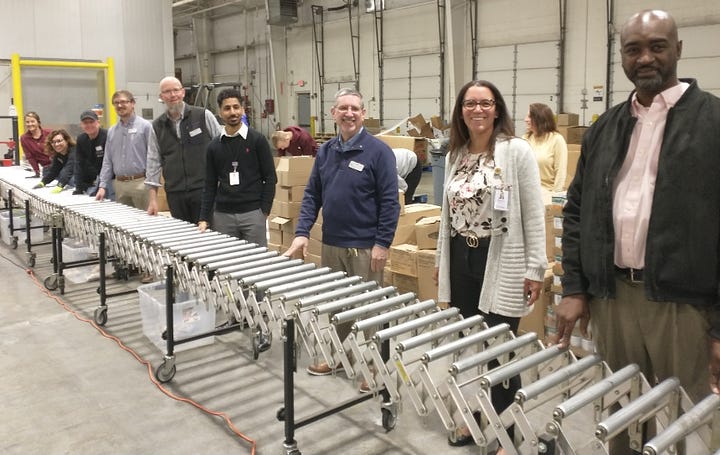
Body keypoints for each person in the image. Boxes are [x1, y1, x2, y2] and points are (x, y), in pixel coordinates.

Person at [555, 9, 720, 448]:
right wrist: (574, 287)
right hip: (612, 300)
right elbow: (576, 213)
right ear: (622, 57)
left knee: (683, 421)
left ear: (678, 50)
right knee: (620, 415)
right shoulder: (605, 128)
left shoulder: (713, 123)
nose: (645, 58)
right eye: (633, 49)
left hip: (683, 309)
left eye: (657, 46)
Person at [434, 80, 546, 449]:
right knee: (466, 344)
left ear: (497, 109)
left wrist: (536, 267)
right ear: (460, 110)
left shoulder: (516, 151)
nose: (477, 110)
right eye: (470, 103)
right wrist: (441, 261)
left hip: (499, 259)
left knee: (500, 349)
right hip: (459, 255)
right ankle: (472, 417)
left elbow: (533, 212)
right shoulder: (455, 154)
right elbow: (447, 216)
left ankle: (505, 433)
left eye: (485, 103)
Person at [284, 88, 400, 390]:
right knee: (337, 305)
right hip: (332, 243)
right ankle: (337, 355)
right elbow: (312, 194)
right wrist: (302, 233)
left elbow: (390, 201)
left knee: (369, 308)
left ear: (363, 113)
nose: (349, 114)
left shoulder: (378, 151)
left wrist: (382, 243)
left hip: (365, 247)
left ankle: (374, 366)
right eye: (343, 108)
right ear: (333, 113)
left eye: (355, 109)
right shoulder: (326, 151)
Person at [198, 88, 276, 246]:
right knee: (226, 265)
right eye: (227, 108)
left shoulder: (257, 141)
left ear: (242, 110)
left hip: (253, 214)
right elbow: (209, 184)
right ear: (220, 112)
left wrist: (264, 211)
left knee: (257, 263)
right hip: (222, 216)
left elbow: (270, 177)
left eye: (236, 107)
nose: (232, 112)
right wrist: (204, 217)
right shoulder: (214, 146)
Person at [146, 76, 222, 223]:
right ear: (161, 97)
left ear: (183, 93)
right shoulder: (157, 126)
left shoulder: (203, 116)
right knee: (183, 240)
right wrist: (153, 199)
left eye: (176, 90)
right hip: (176, 194)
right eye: (167, 92)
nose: (172, 95)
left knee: (209, 236)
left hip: (205, 190)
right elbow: (153, 162)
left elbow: (222, 148)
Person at [95, 90, 155, 210]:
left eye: (123, 102)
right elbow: (107, 160)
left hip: (141, 184)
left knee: (145, 224)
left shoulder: (145, 126)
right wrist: (102, 186)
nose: (119, 106)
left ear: (132, 103)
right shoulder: (112, 131)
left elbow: (153, 157)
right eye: (116, 103)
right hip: (119, 185)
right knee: (124, 226)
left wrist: (151, 184)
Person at [523, 103, 568, 193]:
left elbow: (560, 172)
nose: (525, 120)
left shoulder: (556, 139)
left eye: (529, 117)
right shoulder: (525, 139)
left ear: (539, 119)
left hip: (547, 193)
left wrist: (555, 196)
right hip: (526, 192)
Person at [73, 110, 110, 198]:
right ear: (81, 125)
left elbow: (108, 163)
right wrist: (78, 188)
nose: (89, 125)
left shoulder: (107, 136)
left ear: (98, 122)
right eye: (85, 123)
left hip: (109, 178)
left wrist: (101, 186)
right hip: (93, 178)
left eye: (91, 122)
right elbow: (79, 163)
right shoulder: (81, 139)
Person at [19, 112, 51, 177]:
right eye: (27, 122)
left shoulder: (49, 133)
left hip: (60, 165)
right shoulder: (24, 138)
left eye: (32, 121)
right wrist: (37, 171)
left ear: (38, 122)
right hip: (47, 168)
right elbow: (30, 157)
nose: (30, 124)